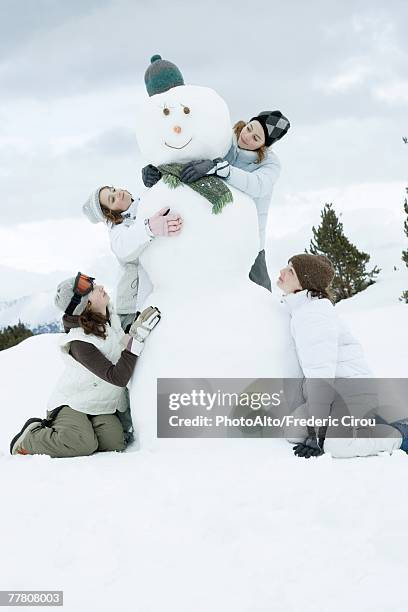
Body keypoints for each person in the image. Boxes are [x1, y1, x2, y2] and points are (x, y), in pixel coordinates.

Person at [10, 272, 161, 458]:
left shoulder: (108, 317)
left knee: (115, 442)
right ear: (86, 305)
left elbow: (119, 344)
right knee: (82, 445)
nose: (101, 288)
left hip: (99, 403)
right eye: (94, 290)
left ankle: (83, 431)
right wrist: (136, 340)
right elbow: (118, 377)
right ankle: (30, 437)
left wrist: (133, 328)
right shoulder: (80, 343)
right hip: (73, 403)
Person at [142, 110, 290, 291]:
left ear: (263, 146)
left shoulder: (270, 164)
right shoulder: (224, 141)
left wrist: (221, 169)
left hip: (249, 237)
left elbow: (258, 185)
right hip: (213, 230)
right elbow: (189, 151)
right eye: (249, 128)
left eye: (256, 138)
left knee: (258, 289)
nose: (247, 136)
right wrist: (158, 169)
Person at [277, 254, 407, 459]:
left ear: (304, 283)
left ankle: (400, 434)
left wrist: (315, 431)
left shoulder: (314, 317)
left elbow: (320, 375)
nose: (282, 272)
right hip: (331, 393)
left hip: (353, 390)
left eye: (291, 271)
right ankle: (362, 422)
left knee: (338, 446)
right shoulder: (303, 310)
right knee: (293, 431)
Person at [83, 186, 183, 331]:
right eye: (112, 199)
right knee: (130, 348)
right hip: (131, 308)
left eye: (112, 189)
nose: (116, 193)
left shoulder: (142, 205)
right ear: (110, 213)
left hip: (154, 298)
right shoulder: (117, 231)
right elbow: (125, 245)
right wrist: (149, 228)